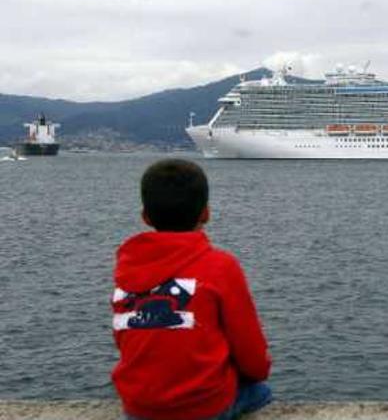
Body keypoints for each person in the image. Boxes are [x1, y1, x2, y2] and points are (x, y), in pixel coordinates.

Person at [111, 159, 272, 420]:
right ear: (206, 212)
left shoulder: (126, 268)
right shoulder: (220, 266)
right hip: (202, 408)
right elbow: (250, 350)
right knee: (260, 391)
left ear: (145, 217)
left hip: (139, 407)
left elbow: (125, 339)